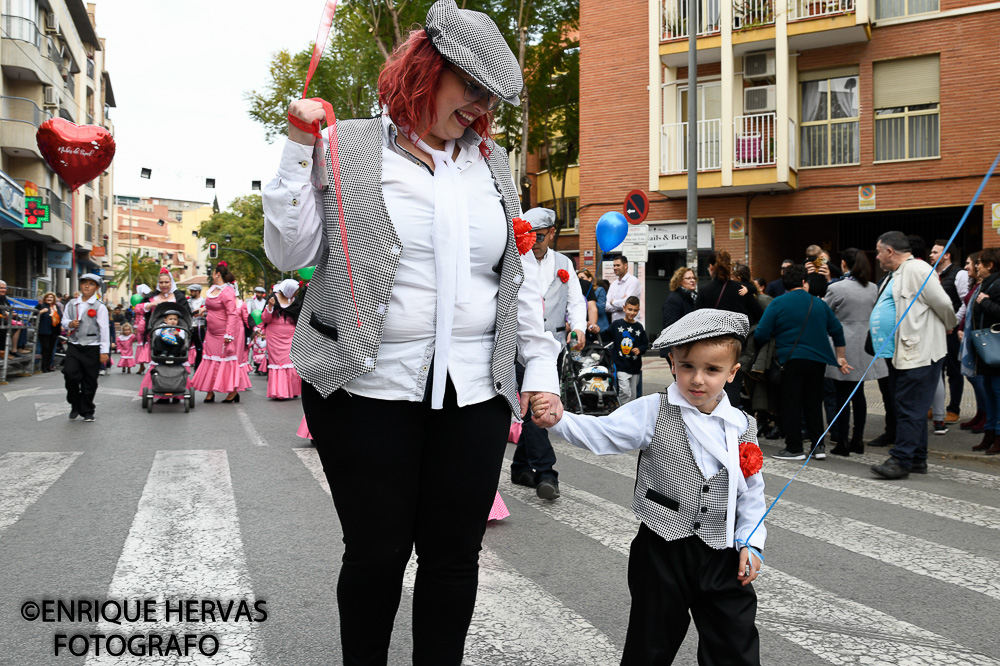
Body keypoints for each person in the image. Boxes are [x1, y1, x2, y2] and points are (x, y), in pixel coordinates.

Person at [262, 3, 563, 662]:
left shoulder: (493, 162)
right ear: (427, 71)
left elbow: (515, 282)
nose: (481, 108)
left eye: (491, 97)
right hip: (363, 388)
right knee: (377, 554)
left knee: (454, 558)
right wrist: (295, 147)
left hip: (475, 393)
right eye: (472, 89)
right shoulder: (346, 147)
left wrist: (539, 374)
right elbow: (290, 253)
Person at [535, 309, 766, 666]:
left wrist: (751, 542)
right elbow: (604, 434)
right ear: (673, 362)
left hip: (721, 551)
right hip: (661, 548)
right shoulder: (653, 410)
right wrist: (560, 419)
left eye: (712, 370)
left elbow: (751, 493)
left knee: (734, 645)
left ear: (732, 373)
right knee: (650, 644)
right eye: (687, 366)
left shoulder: (741, 425)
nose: (697, 379)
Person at [511, 207, 587, 500]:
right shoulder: (517, 259)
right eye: (528, 236)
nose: (534, 242)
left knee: (533, 408)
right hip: (519, 347)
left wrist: (578, 329)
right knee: (535, 407)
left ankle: (520, 467)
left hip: (551, 347)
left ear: (552, 233)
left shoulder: (565, 263)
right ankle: (546, 473)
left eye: (539, 236)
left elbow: (576, 302)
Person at [870, 231, 957, 479]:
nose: (876, 257)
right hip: (903, 353)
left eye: (878, 251)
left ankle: (901, 459)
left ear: (889, 251)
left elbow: (943, 303)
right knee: (910, 406)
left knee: (909, 407)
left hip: (919, 351)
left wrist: (949, 325)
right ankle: (918, 458)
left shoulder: (918, 269)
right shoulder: (896, 274)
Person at [754, 264, 851, 461]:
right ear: (804, 282)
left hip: (790, 360)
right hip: (817, 361)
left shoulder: (778, 303)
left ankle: (794, 448)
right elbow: (837, 330)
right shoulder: (819, 304)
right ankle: (818, 446)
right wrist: (841, 357)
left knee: (791, 404)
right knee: (814, 403)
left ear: (785, 283)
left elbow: (761, 334)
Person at [823, 249, 887, 456]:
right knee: (859, 395)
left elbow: (826, 315)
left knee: (842, 395)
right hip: (865, 344)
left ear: (843, 264)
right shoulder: (873, 287)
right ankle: (858, 440)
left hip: (843, 345)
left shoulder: (836, 288)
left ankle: (842, 441)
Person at [698, 250, 762, 404]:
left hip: (711, 345)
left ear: (711, 267)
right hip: (736, 345)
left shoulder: (705, 291)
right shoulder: (741, 289)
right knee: (732, 386)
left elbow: (698, 320)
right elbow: (760, 314)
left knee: (712, 385)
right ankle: (730, 421)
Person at [191, 263, 243, 403]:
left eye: (213, 273)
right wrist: (203, 310)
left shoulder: (227, 291)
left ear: (217, 274)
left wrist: (229, 334)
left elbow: (232, 314)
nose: (212, 276)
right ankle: (210, 391)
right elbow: (212, 307)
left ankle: (233, 392)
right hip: (211, 333)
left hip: (223, 334)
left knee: (225, 361)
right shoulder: (213, 289)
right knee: (209, 359)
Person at [62, 273, 110, 422]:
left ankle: (87, 410)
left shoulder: (100, 307)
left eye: (91, 284)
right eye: (84, 283)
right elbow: (64, 321)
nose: (87, 286)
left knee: (90, 380)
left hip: (92, 346)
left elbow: (104, 330)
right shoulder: (71, 304)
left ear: (96, 288)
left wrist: (104, 351)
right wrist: (70, 324)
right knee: (70, 374)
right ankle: (74, 402)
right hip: (74, 345)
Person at [966, 248, 1000, 455]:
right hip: (984, 349)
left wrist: (985, 302)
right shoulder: (985, 284)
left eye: (980, 262)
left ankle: (997, 434)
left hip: (995, 348)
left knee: (997, 392)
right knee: (988, 392)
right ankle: (989, 433)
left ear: (990, 265)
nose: (976, 265)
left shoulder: (997, 285)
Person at [929, 240, 966, 424]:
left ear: (946, 255)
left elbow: (964, 302)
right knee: (935, 371)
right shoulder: (930, 275)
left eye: (935, 252)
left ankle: (954, 409)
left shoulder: (959, 274)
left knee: (954, 371)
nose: (931, 255)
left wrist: (953, 323)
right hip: (934, 332)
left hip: (951, 332)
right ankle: (936, 408)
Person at [260, 279, 303, 399]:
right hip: (274, 338)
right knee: (278, 363)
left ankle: (292, 391)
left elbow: (299, 318)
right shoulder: (273, 298)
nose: (296, 293)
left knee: (290, 362)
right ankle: (279, 392)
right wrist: (269, 307)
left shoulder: (295, 300)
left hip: (291, 337)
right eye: (295, 291)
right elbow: (265, 319)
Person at [960, 252, 987, 434]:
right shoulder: (976, 285)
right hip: (967, 335)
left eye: (970, 263)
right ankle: (981, 412)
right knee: (973, 377)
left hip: (976, 336)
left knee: (979, 379)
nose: (968, 267)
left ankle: (986, 415)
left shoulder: (985, 286)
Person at [610, 296, 647, 404]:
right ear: (624, 308)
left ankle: (631, 413)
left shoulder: (639, 327)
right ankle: (622, 411)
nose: (632, 312)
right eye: (630, 309)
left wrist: (640, 349)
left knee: (633, 395)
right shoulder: (617, 325)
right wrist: (594, 334)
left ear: (638, 310)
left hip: (635, 366)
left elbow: (645, 344)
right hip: (621, 365)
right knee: (625, 391)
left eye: (635, 310)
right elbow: (605, 336)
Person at [660, 266, 698, 350]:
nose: (692, 280)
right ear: (680, 281)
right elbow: (671, 325)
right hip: (676, 347)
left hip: (690, 345)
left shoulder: (695, 297)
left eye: (693, 278)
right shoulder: (674, 299)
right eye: (688, 278)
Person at [606, 254, 642, 323]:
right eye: (614, 265)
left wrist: (612, 302)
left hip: (630, 325)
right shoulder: (613, 284)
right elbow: (607, 307)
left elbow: (627, 304)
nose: (615, 268)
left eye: (618, 265)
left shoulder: (633, 281)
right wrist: (620, 304)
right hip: (615, 325)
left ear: (625, 266)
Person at [35, 292, 61, 372]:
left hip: (54, 331)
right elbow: (34, 316)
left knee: (51, 349)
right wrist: (41, 312)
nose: (49, 299)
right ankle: (43, 367)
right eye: (48, 297)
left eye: (51, 297)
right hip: (44, 331)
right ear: (45, 298)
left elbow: (60, 316)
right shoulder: (41, 306)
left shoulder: (56, 307)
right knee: (45, 349)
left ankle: (49, 366)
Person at [187, 284, 207, 369]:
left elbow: (208, 313)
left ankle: (198, 368)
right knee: (185, 348)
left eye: (192, 291)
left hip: (200, 327)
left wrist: (203, 315)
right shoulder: (188, 302)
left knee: (199, 349)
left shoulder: (205, 301)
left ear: (197, 291)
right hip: (189, 327)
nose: (190, 293)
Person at [133, 284, 152, 374]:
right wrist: (136, 327)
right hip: (141, 328)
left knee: (149, 345)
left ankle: (150, 365)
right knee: (141, 345)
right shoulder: (139, 304)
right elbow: (137, 315)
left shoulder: (151, 301)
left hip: (149, 326)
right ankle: (142, 366)